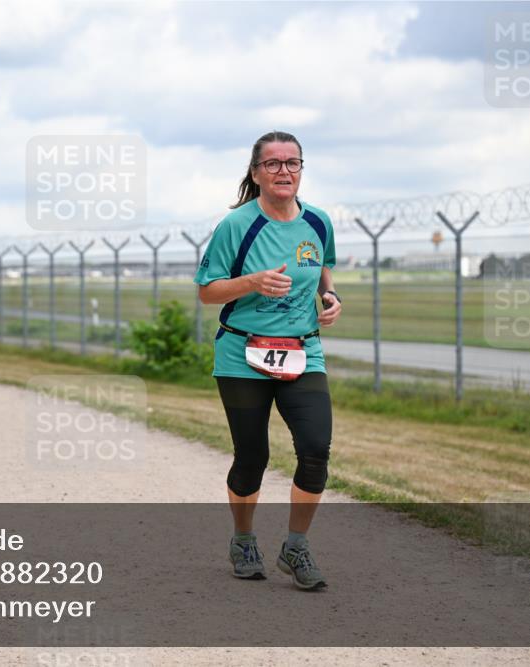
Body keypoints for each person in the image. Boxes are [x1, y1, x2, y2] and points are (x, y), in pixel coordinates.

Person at [195, 131, 342, 590]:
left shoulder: (318, 222)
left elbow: (322, 267)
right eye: (273, 164)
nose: (284, 172)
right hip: (242, 353)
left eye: (292, 163)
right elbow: (207, 291)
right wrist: (252, 282)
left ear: (302, 169)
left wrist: (330, 295)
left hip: (303, 351)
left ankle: (295, 546)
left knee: (316, 449)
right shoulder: (236, 226)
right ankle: (243, 540)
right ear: (256, 172)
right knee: (253, 455)